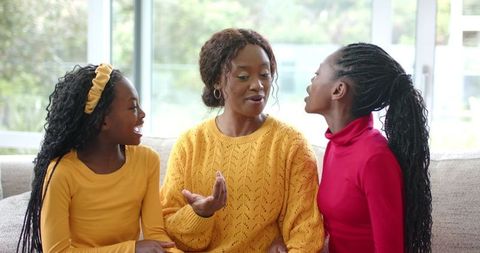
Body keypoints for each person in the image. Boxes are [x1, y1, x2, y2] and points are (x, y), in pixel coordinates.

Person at [159, 28, 324, 252]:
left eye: (264, 75)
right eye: (244, 76)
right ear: (217, 81)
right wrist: (200, 213)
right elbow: (167, 231)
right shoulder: (190, 144)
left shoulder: (291, 144)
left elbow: (305, 233)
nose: (258, 85)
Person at [17, 64, 179, 253]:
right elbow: (57, 251)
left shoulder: (147, 161)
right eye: (133, 107)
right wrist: (131, 249)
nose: (142, 114)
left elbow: (156, 235)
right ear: (103, 120)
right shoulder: (61, 173)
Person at [304, 43, 432, 252]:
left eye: (317, 74)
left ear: (338, 90)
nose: (310, 83)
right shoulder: (336, 145)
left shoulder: (374, 157)